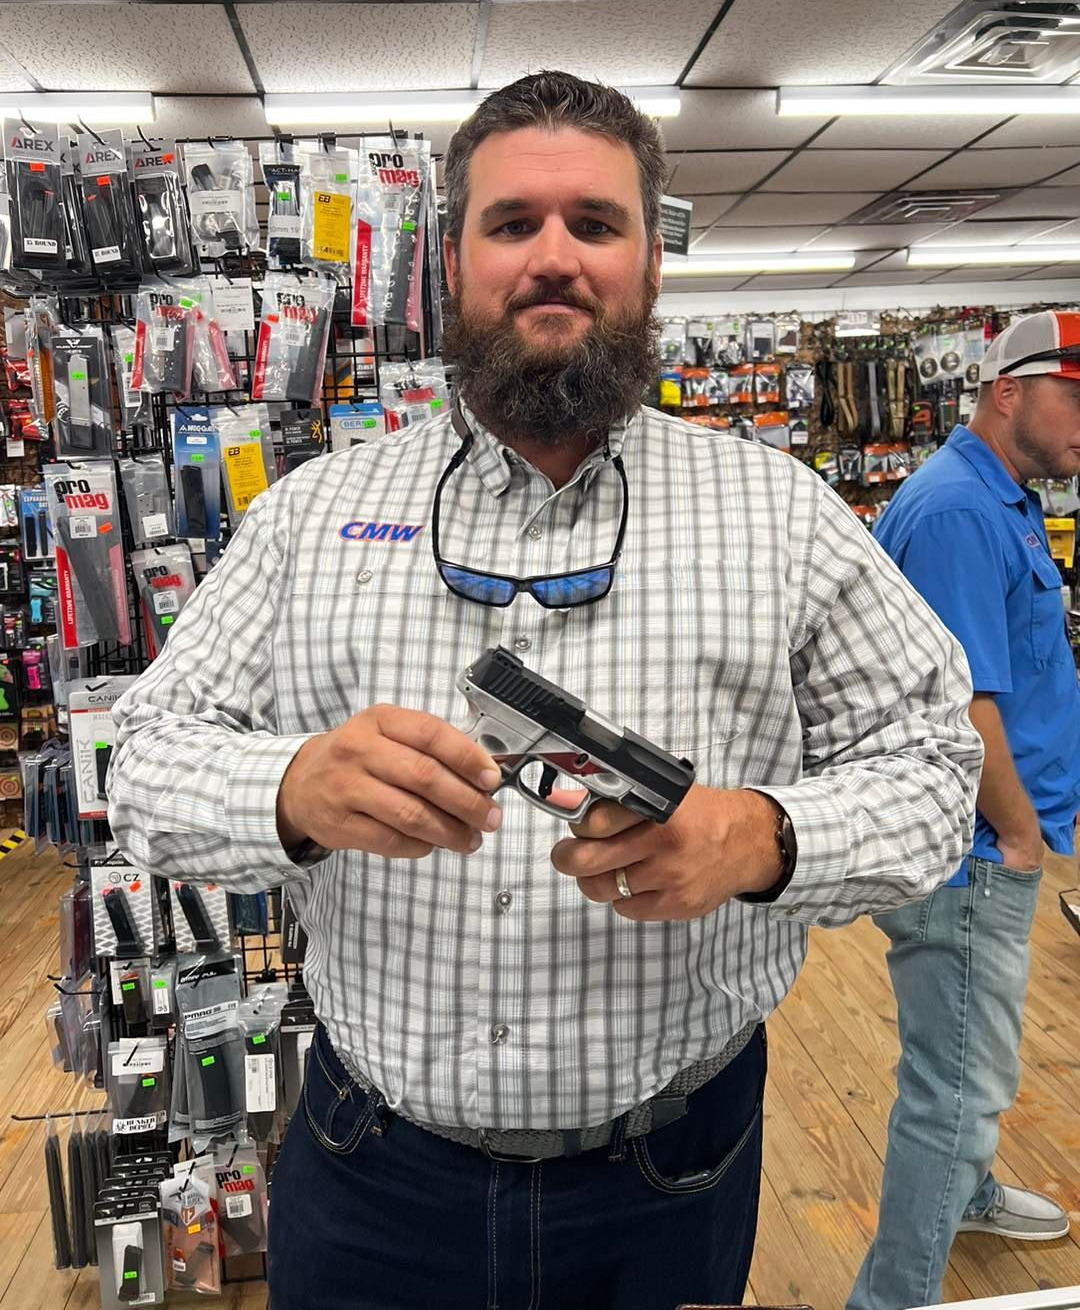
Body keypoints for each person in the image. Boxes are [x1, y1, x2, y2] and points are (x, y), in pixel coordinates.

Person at [107, 71, 981, 1310]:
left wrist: (765, 837)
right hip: (373, 1173)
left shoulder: (783, 517)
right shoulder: (310, 514)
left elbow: (938, 772)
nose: (554, 258)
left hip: (671, 1173)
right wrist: (290, 787)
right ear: (453, 260)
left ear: (650, 264)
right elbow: (138, 759)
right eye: (514, 224)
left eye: (596, 224)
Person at [848, 311, 1080, 1310]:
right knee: (954, 1090)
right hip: (974, 852)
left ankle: (971, 1193)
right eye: (1074, 396)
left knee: (964, 1056)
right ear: (1008, 391)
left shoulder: (1002, 499)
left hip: (988, 846)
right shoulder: (958, 512)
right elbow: (964, 700)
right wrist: (1020, 835)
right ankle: (892, 1298)